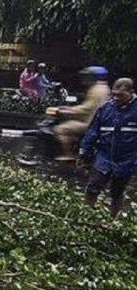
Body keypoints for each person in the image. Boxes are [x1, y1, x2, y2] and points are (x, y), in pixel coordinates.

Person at [78, 78, 137, 217]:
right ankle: (85, 217)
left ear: (131, 92)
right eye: (114, 94)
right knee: (92, 187)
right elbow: (93, 131)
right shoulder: (105, 109)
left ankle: (113, 220)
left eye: (120, 95)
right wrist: (83, 152)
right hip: (103, 157)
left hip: (126, 160)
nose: (116, 98)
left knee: (117, 192)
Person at [55, 66, 111, 161]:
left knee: (60, 129)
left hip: (90, 123)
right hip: (96, 121)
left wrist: (67, 110)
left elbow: (86, 109)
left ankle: (69, 154)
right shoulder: (104, 88)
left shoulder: (96, 90)